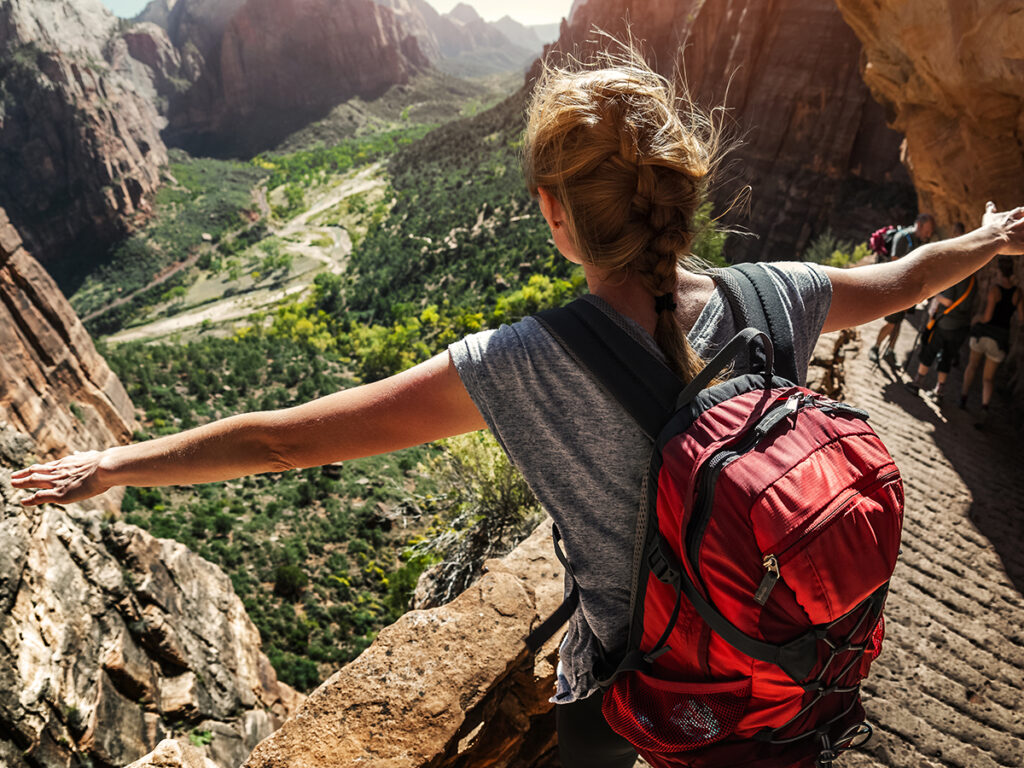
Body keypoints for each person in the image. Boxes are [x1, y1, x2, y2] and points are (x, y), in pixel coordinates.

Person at [11, 52, 1024, 768]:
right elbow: (896, 283)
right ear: (684, 189)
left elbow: (288, 436)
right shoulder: (777, 293)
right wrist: (982, 241)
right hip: (787, 672)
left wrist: (114, 466)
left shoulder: (523, 363)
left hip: (639, 693)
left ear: (552, 214)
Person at [959, 255, 1024, 426]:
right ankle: (984, 408)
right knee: (988, 378)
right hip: (1000, 338)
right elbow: (1022, 318)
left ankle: (963, 398)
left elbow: (987, 317)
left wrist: (977, 318)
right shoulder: (1018, 292)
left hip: (984, 334)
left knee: (972, 366)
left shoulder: (995, 289)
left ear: (999, 270)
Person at [868, 212, 935, 365]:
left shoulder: (920, 241)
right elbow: (895, 262)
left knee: (899, 321)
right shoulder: (903, 238)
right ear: (919, 225)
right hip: (897, 288)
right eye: (927, 230)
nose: (929, 234)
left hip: (909, 289)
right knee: (892, 321)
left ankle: (890, 350)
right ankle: (875, 347)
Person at [905, 265, 979, 402]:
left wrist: (934, 293)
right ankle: (939, 391)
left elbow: (947, 300)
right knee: (947, 357)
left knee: (929, 350)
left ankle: (917, 383)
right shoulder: (974, 281)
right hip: (961, 326)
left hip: (945, 323)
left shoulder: (957, 276)